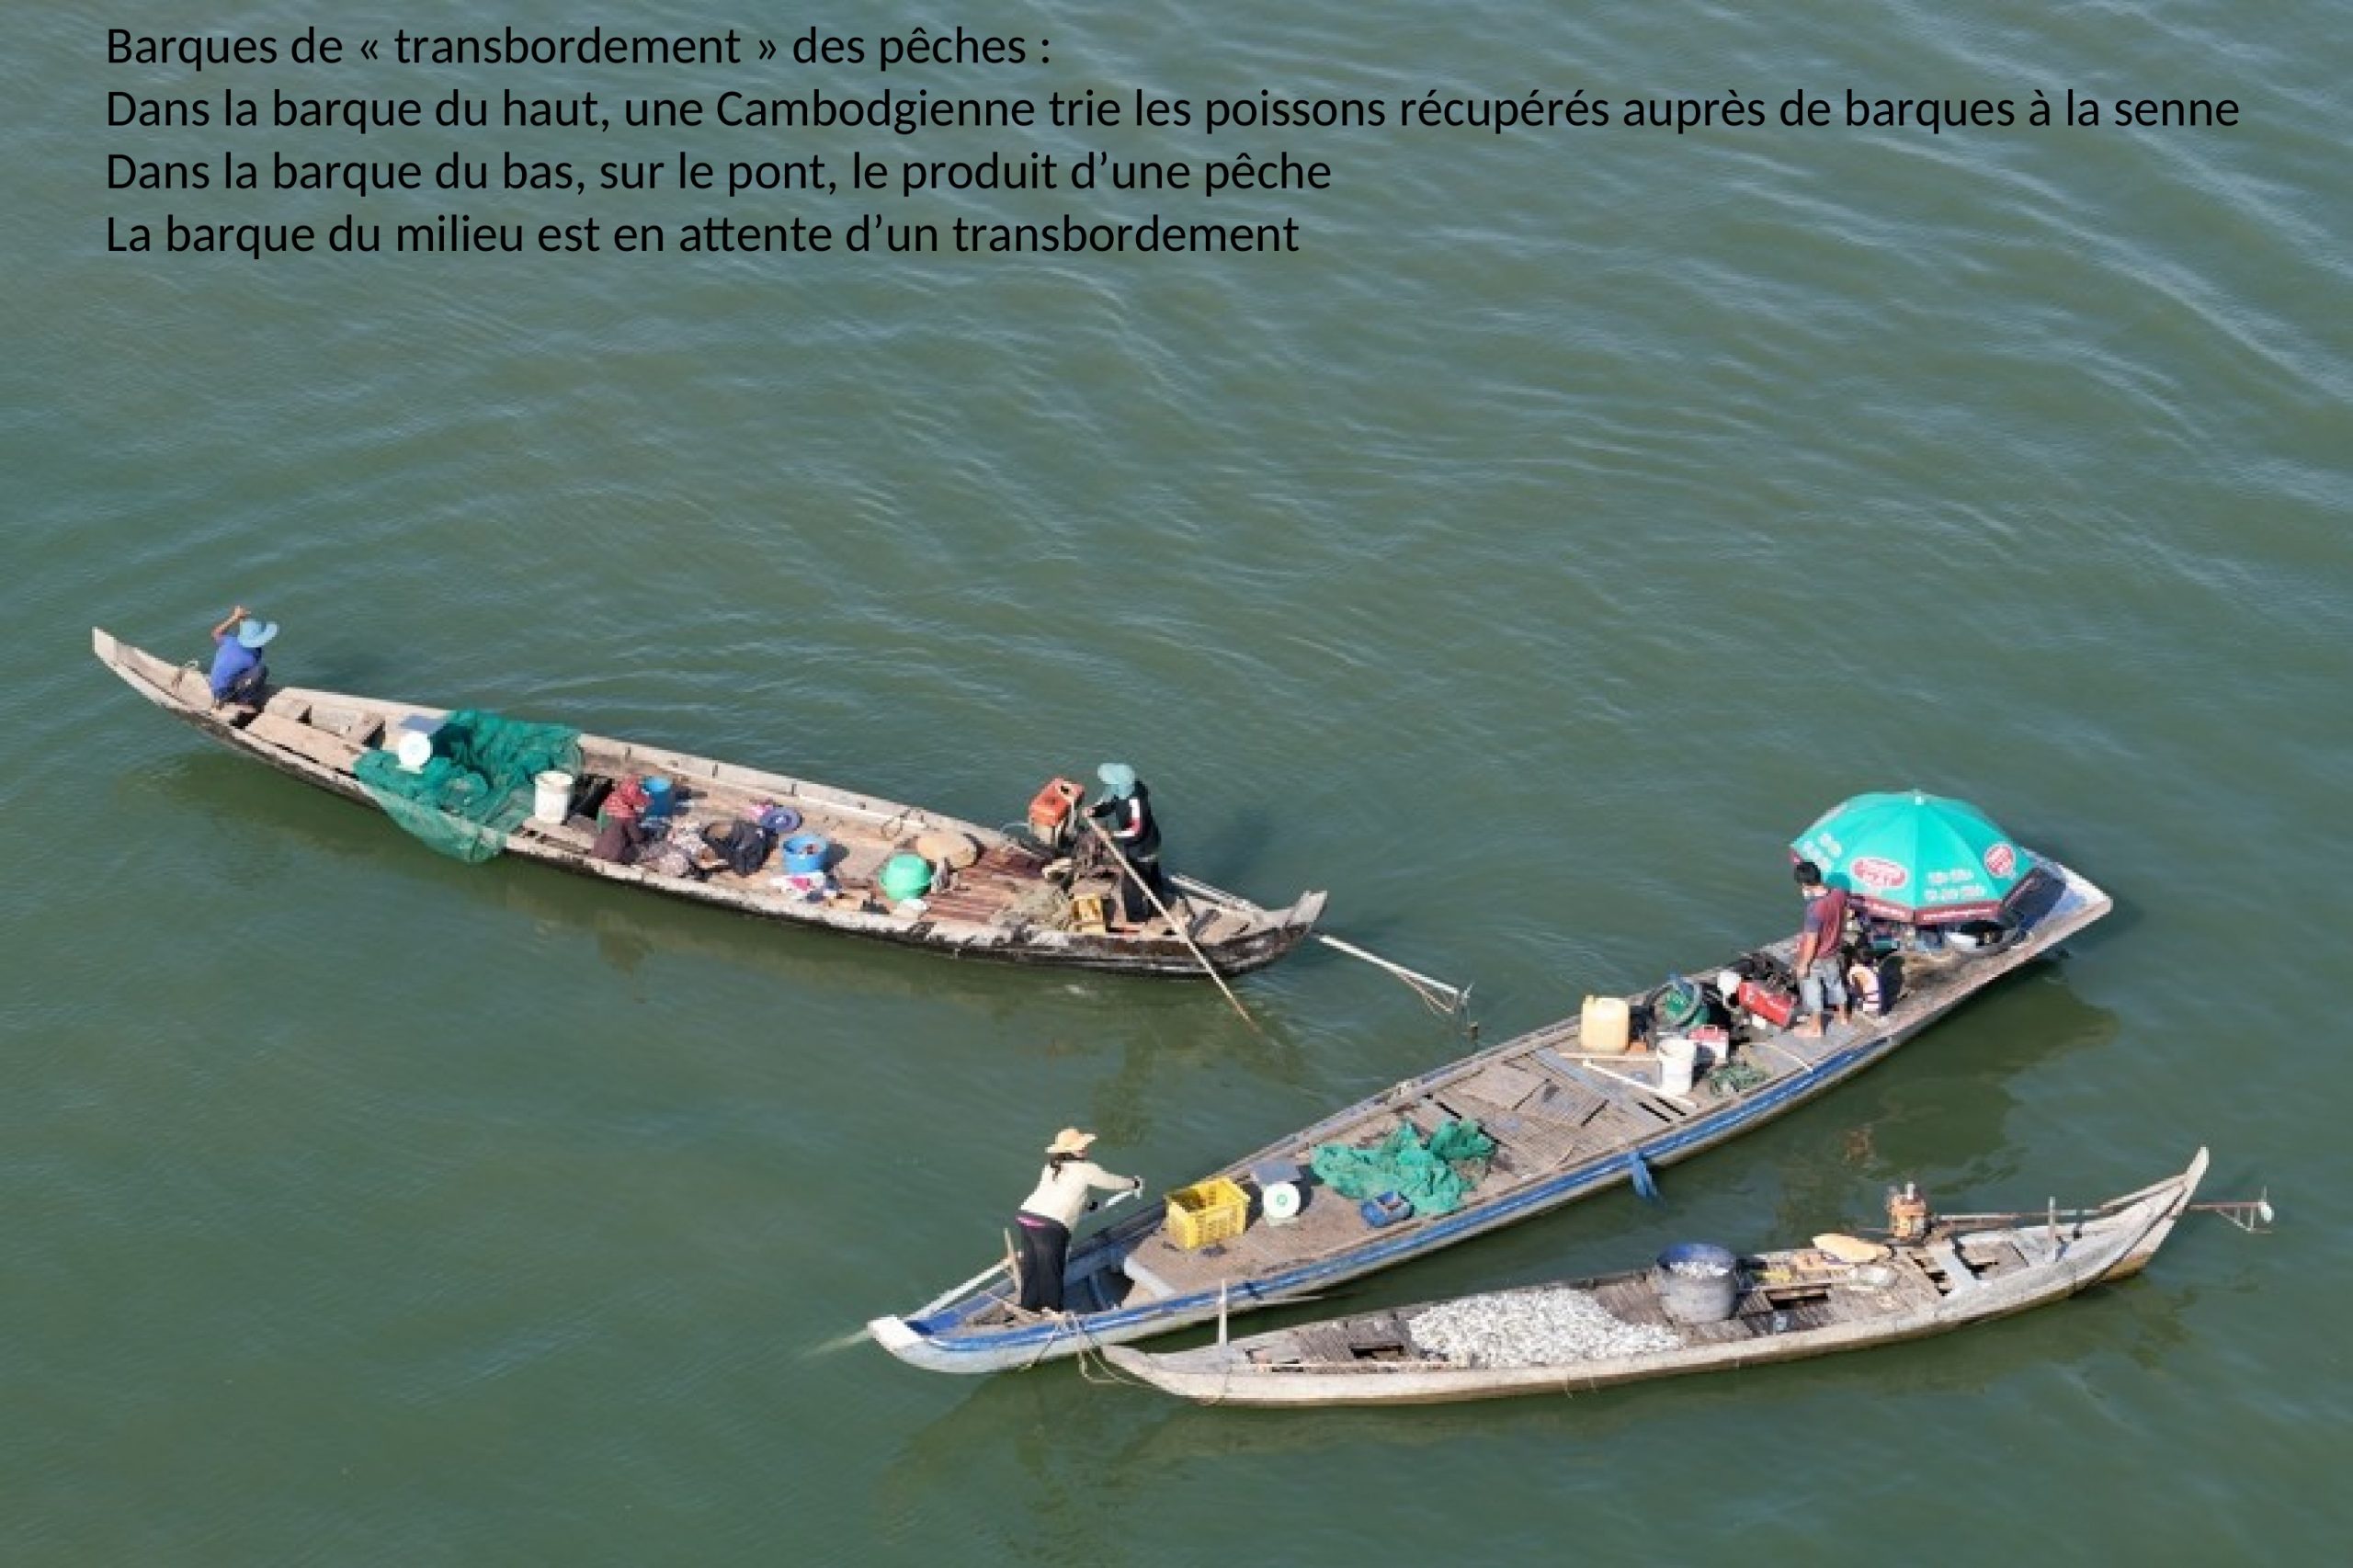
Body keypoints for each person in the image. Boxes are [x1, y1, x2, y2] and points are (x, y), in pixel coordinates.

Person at [1012, 1128, 1142, 1314]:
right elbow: (1111, 1182)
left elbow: (1068, 1193)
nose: (1086, 1148)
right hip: (1050, 1226)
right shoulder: (1086, 1169)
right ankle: (1053, 1314)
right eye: (1082, 1146)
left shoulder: (1051, 1167)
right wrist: (1134, 1183)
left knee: (1031, 1269)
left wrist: (1091, 1206)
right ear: (1072, 1151)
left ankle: (1027, 1308)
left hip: (1026, 1217)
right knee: (1052, 1273)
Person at [1085, 762, 1168, 927]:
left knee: (1131, 886)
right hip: (1148, 841)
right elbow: (1110, 803)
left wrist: (1112, 835)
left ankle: (1136, 919)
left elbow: (1136, 831)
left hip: (1143, 847)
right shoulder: (1123, 788)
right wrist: (1094, 811)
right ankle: (1158, 910)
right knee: (1152, 876)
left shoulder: (1135, 802)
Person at [1791, 859, 1853, 1037]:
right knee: (1835, 983)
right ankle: (1843, 1016)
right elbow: (1847, 913)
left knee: (1813, 990)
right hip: (1833, 950)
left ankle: (1816, 1028)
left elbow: (1812, 940)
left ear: (1805, 884)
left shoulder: (1814, 909)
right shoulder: (1839, 894)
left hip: (1817, 956)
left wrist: (1804, 965)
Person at [205, 605, 278, 710]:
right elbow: (255, 672)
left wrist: (235, 617)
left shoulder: (229, 641)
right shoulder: (250, 659)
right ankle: (244, 701)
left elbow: (216, 633)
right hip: (225, 693)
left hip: (214, 685)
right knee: (261, 670)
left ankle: (226, 695)